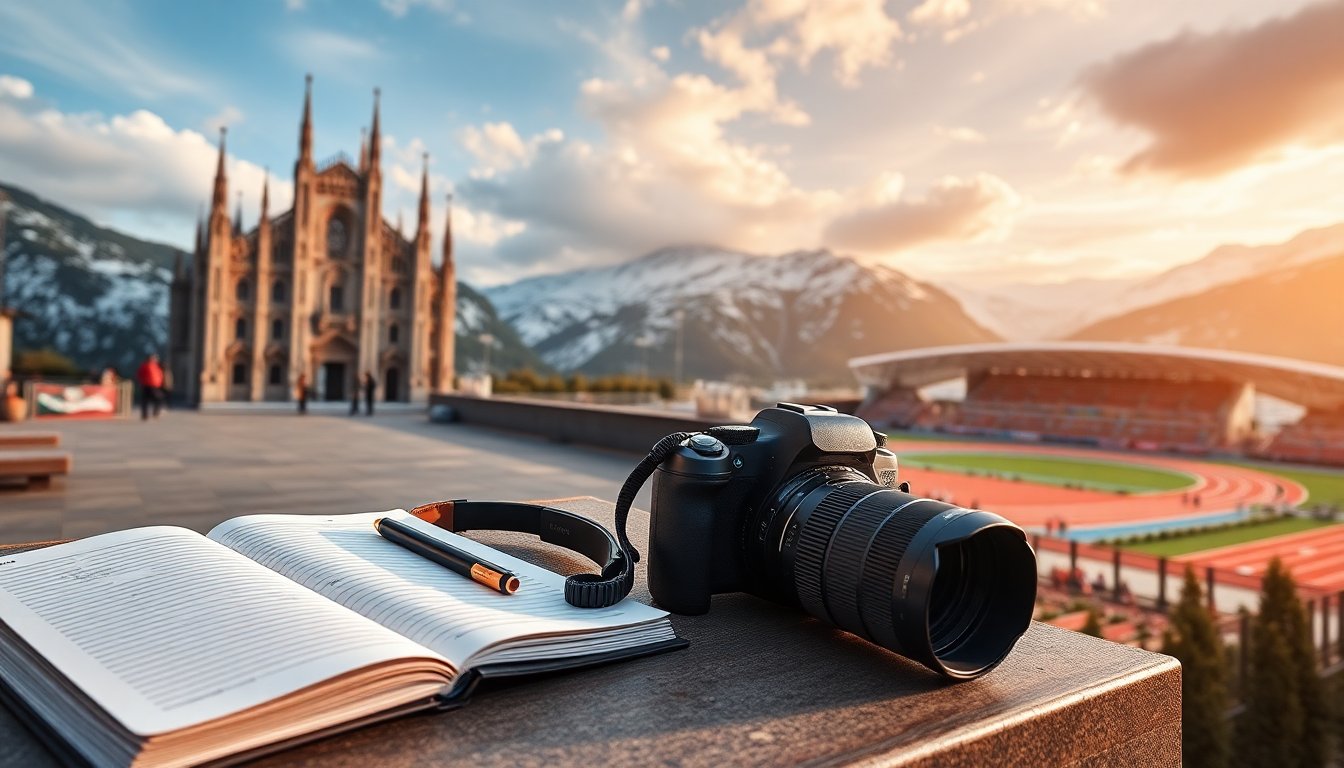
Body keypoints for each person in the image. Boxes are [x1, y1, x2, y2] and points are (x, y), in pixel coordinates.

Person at [136, 354, 165, 420]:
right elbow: (140, 374)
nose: (156, 359)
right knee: (148, 400)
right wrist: (142, 381)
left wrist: (160, 383)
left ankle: (154, 412)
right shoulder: (145, 365)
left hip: (155, 385)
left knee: (157, 398)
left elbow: (159, 375)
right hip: (148, 385)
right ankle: (145, 414)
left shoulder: (156, 366)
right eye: (154, 358)